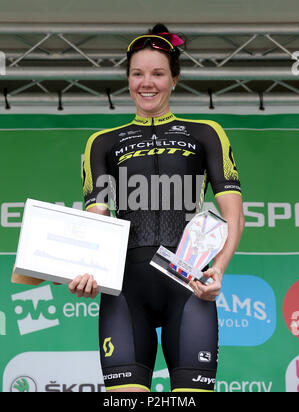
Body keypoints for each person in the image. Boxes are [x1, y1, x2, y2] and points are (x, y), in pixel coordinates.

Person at [68, 24, 245, 393]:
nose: (146, 83)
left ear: (174, 79)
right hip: (125, 290)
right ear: (128, 79)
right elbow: (97, 218)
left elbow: (233, 213)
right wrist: (86, 269)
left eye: (158, 73)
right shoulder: (102, 142)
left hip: (191, 287)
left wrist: (219, 271)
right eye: (137, 74)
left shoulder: (206, 132)